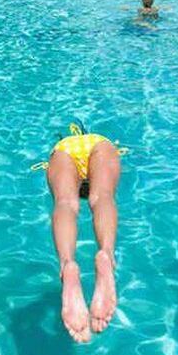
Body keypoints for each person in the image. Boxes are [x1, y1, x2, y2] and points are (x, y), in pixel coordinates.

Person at [45, 128, 121, 342]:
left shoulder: (62, 146)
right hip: (101, 143)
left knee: (65, 203)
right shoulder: (100, 142)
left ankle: (67, 264)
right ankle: (106, 253)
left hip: (63, 151)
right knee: (103, 197)